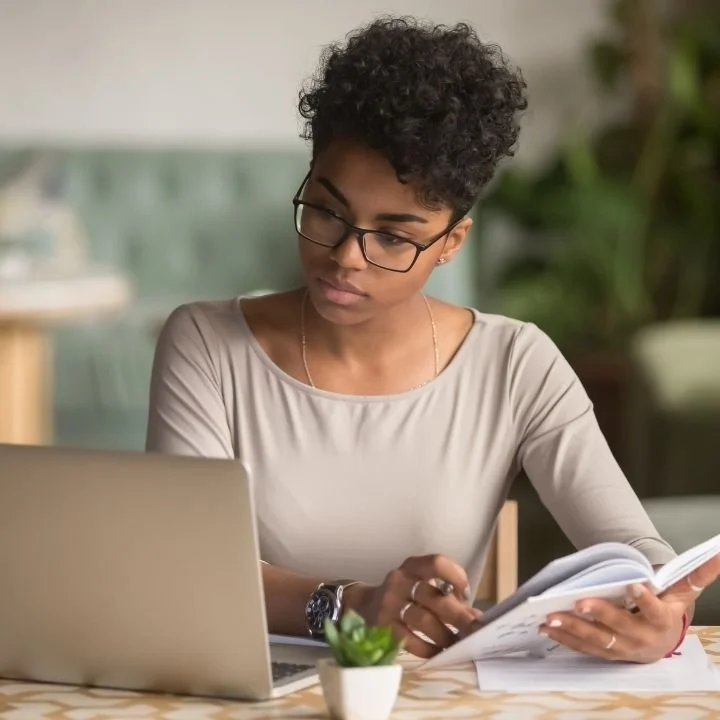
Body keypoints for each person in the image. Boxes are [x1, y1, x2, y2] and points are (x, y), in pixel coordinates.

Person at [146, 16, 719, 663]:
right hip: (255, 695)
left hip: (434, 697)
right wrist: (351, 606)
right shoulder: (205, 344)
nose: (346, 257)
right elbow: (184, 565)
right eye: (328, 211)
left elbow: (633, 547)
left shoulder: (514, 362)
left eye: (393, 235)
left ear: (451, 243)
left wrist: (661, 616)